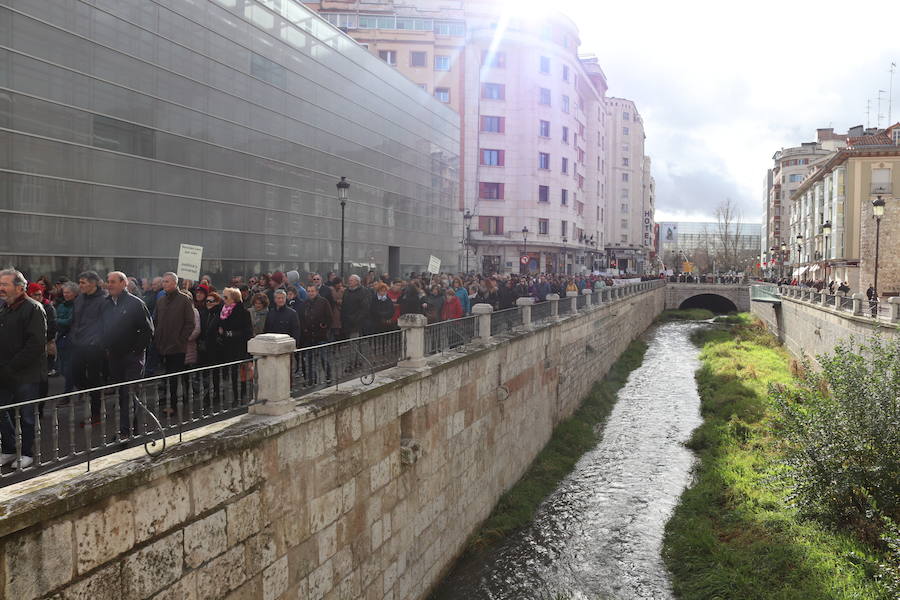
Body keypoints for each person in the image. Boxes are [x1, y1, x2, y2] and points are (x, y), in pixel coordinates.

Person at [0, 269, 46, 469]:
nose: (1, 288)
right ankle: (9, 449)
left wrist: (12, 366)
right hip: (5, 372)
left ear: (19, 288)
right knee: (2, 411)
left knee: (27, 416)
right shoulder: (5, 308)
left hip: (26, 373)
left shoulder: (33, 308)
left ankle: (27, 453)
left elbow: (35, 344)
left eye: (5, 284)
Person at [101, 271, 154, 439]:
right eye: (108, 281)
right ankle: (132, 428)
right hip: (115, 356)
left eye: (113, 281)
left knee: (129, 393)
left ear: (124, 283)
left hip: (133, 358)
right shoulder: (106, 304)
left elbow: (148, 330)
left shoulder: (135, 303)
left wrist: (136, 351)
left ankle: (125, 432)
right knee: (122, 393)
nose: (109, 285)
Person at [70, 271, 109, 424]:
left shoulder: (104, 299)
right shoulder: (79, 299)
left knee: (94, 378)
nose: (80, 286)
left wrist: (98, 341)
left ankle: (96, 413)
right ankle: (95, 392)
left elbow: (107, 323)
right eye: (79, 282)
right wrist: (74, 335)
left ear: (93, 283)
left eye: (83, 282)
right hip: (78, 343)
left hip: (94, 346)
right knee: (75, 374)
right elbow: (75, 319)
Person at [154, 272, 195, 415]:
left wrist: (181, 339)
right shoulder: (161, 300)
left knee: (174, 377)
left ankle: (174, 406)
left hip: (177, 347)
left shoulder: (184, 300)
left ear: (174, 283)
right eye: (163, 281)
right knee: (167, 377)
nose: (164, 284)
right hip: (163, 345)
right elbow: (157, 321)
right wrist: (157, 338)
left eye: (166, 281)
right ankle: (171, 402)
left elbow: (190, 323)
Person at [216, 288, 253, 403]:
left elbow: (247, 332)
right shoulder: (223, 311)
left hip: (239, 347)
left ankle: (240, 396)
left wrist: (229, 333)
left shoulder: (243, 312)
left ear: (234, 299)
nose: (224, 299)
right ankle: (235, 396)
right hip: (227, 347)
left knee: (240, 373)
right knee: (232, 373)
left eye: (226, 297)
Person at [301, 284, 333, 385]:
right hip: (309, 335)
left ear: (317, 292)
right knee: (309, 359)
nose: (310, 293)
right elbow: (302, 318)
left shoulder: (323, 302)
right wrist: (305, 329)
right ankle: (311, 379)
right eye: (309, 291)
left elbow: (329, 318)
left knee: (324, 358)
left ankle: (328, 376)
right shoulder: (305, 303)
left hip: (321, 335)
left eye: (312, 291)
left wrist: (324, 326)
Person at [54, 282, 78, 393]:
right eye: (64, 292)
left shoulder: (77, 305)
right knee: (61, 368)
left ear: (74, 293)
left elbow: (70, 321)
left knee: (69, 368)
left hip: (71, 338)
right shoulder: (61, 305)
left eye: (68, 292)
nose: (65, 295)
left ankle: (69, 392)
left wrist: (58, 321)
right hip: (60, 338)